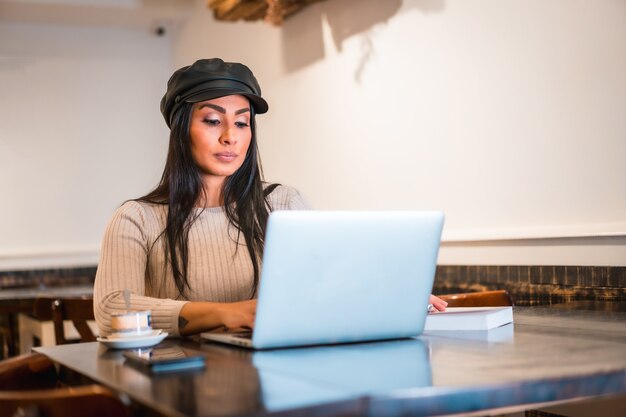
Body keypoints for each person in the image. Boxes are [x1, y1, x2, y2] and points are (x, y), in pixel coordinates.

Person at [94, 58, 446, 338]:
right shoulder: (136, 218)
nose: (231, 136)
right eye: (214, 120)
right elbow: (111, 310)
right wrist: (227, 313)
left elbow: (324, 285)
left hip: (276, 377)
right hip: (181, 385)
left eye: (243, 123)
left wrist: (386, 299)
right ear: (180, 130)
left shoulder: (283, 204)